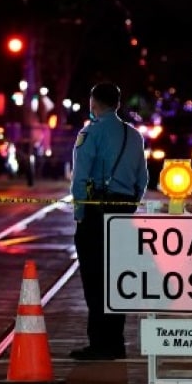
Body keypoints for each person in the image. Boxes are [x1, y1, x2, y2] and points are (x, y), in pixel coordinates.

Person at [69, 82, 149, 360]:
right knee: (117, 277)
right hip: (123, 210)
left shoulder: (90, 133)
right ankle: (116, 341)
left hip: (96, 211)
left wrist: (80, 213)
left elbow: (80, 179)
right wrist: (130, 205)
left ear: (94, 103)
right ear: (117, 103)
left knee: (94, 278)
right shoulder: (134, 136)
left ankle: (99, 343)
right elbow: (143, 179)